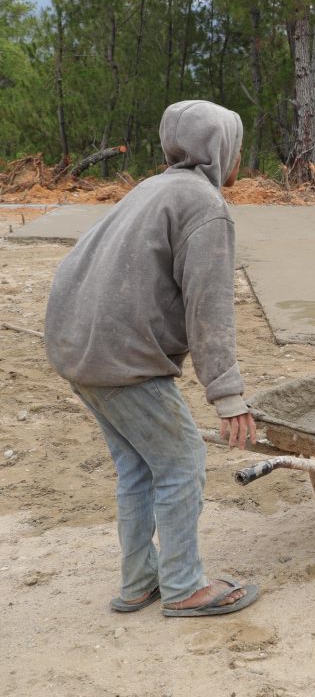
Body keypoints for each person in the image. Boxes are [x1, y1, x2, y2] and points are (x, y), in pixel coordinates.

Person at [44, 100, 261, 617]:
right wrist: (228, 395)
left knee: (140, 468)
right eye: (237, 148)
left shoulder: (152, 187)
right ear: (219, 148)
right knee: (183, 461)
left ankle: (139, 582)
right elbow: (209, 310)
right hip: (121, 358)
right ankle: (184, 587)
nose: (239, 161)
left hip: (77, 347)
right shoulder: (205, 205)